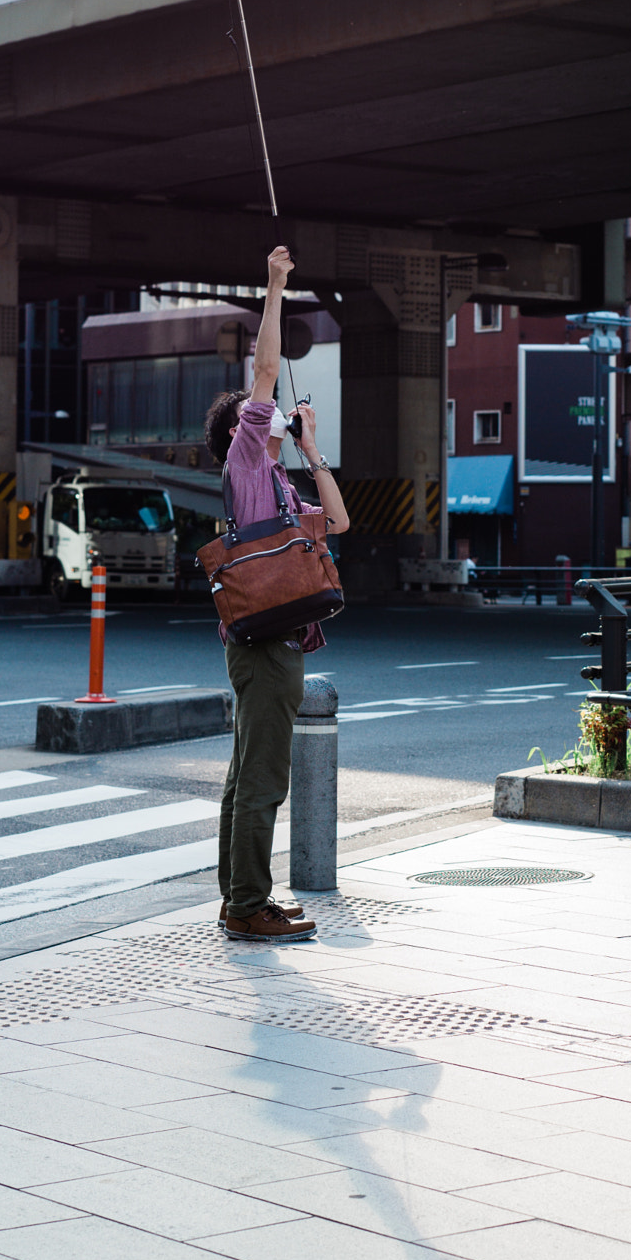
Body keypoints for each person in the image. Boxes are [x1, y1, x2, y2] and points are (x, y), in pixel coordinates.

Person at [203, 245, 350, 944]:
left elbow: (341, 523)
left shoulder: (280, 491)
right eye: (260, 419)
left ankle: (240, 896)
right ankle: (247, 907)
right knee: (264, 779)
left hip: (272, 639)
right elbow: (265, 370)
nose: (271, 422)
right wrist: (273, 285)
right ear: (241, 433)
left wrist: (312, 445)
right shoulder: (244, 463)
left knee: (245, 776)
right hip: (266, 645)